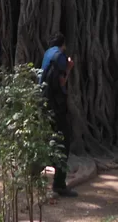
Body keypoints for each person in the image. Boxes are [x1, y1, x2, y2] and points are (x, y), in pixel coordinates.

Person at [40, 33, 77, 198]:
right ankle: (59, 184)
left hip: (43, 103)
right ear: (64, 44)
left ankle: (35, 170)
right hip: (56, 105)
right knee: (64, 141)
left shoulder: (48, 53)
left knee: (47, 137)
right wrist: (69, 69)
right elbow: (61, 81)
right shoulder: (60, 56)